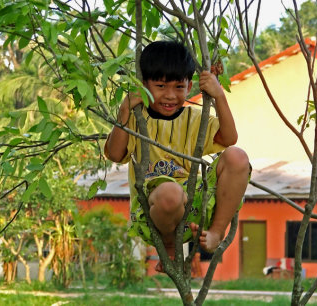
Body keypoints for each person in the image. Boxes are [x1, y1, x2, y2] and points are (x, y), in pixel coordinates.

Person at [104, 41, 250, 272]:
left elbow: (229, 138)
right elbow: (114, 154)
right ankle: (170, 247)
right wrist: (124, 111)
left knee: (238, 157)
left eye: (179, 87)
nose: (170, 96)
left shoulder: (194, 119)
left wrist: (218, 95)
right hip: (153, 211)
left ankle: (216, 231)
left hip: (193, 205)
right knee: (170, 193)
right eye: (160, 85)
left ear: (190, 86)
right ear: (143, 85)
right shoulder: (136, 119)